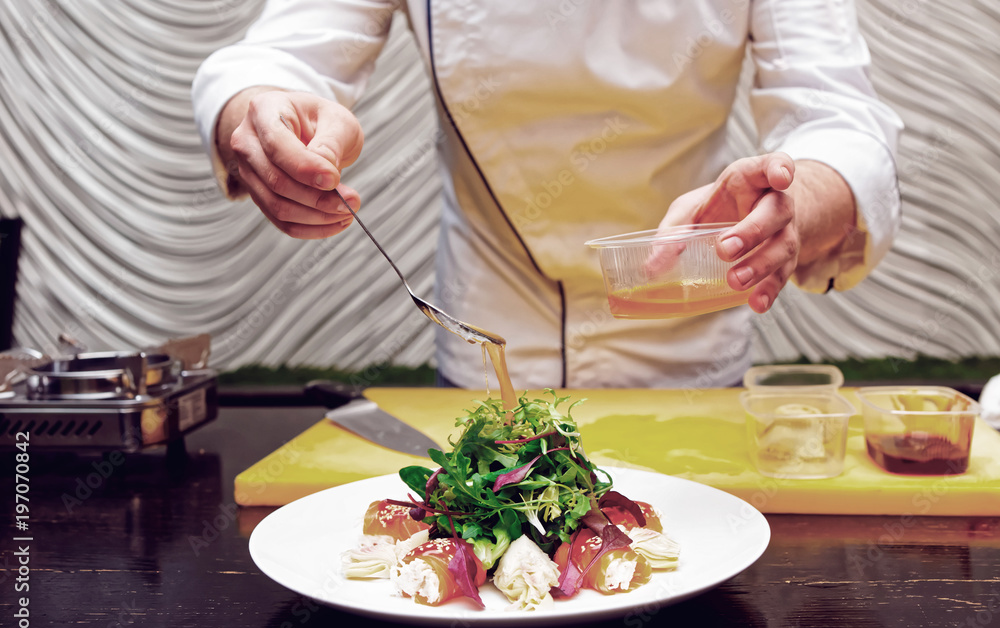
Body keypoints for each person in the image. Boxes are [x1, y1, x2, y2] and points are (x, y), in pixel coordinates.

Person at [192, 1, 902, 390]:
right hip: (495, 346)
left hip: (686, 352)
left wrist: (795, 201)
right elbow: (280, 55)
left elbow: (837, 118)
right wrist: (262, 113)